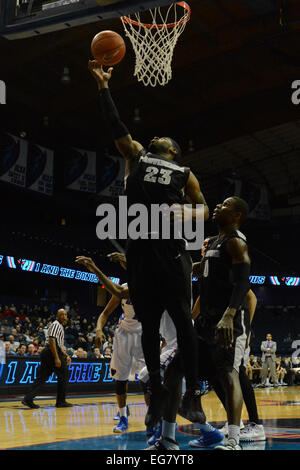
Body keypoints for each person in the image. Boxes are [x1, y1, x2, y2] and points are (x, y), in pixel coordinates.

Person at [89, 61, 209, 427]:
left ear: (173, 151)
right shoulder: (135, 156)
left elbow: (204, 209)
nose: (159, 137)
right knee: (151, 327)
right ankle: (157, 393)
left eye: (166, 139)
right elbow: (116, 127)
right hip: (140, 253)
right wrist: (103, 88)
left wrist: (186, 216)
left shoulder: (185, 174)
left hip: (172, 253)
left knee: (184, 325)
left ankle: (192, 395)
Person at [21, 309, 72, 409]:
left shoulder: (60, 326)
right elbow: (52, 340)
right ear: (58, 316)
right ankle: (61, 402)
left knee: (42, 377)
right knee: (64, 375)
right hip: (51, 352)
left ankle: (28, 398)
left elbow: (59, 344)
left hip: (51, 352)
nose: (64, 316)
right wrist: (57, 358)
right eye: (62, 315)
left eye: (66, 314)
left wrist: (66, 356)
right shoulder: (56, 324)